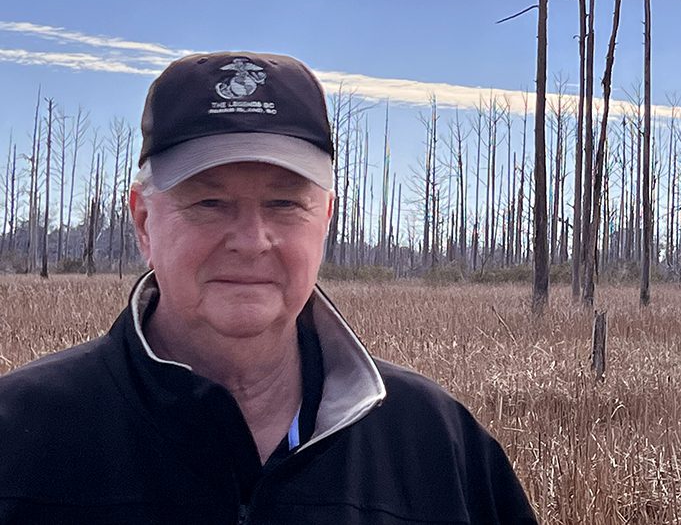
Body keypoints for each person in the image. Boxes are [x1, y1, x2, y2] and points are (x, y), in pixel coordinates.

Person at [0, 51, 538, 525]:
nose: (252, 241)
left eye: (284, 203)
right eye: (209, 203)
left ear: (324, 218)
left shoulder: (432, 443)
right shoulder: (21, 434)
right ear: (144, 222)